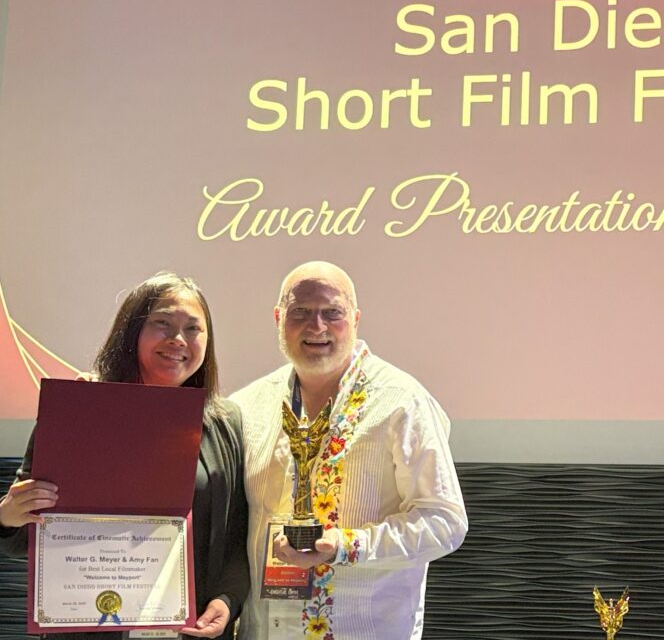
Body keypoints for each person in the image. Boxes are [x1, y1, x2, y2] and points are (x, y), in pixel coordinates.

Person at [0, 272, 249, 639]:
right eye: (162, 324)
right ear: (131, 332)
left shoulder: (225, 422)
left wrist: (228, 600)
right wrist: (8, 516)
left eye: (193, 328)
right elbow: (26, 535)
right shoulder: (79, 410)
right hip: (88, 627)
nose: (178, 339)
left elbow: (237, 532)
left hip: (188, 630)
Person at [231, 260, 467, 640]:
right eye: (300, 312)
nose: (317, 326)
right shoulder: (247, 406)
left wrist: (345, 544)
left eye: (332, 313)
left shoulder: (401, 401)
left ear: (356, 319)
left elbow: (445, 524)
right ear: (277, 318)